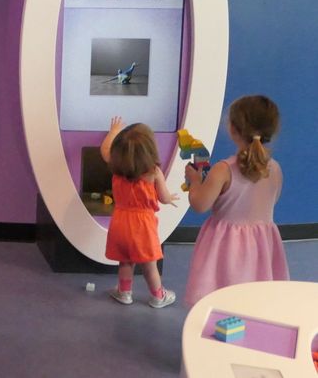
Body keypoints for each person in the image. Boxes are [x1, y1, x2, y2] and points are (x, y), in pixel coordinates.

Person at [184, 95, 288, 307]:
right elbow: (272, 201)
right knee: (255, 300)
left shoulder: (223, 170)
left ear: (232, 129)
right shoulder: (275, 168)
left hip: (227, 246)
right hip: (262, 246)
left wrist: (195, 181)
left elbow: (200, 204)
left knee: (223, 298)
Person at [101, 116, 179, 308]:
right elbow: (163, 197)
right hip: (143, 225)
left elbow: (104, 150)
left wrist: (113, 132)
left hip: (120, 221)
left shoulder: (117, 167)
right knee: (149, 264)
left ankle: (124, 293)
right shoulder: (153, 172)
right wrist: (171, 199)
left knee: (125, 261)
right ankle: (158, 296)